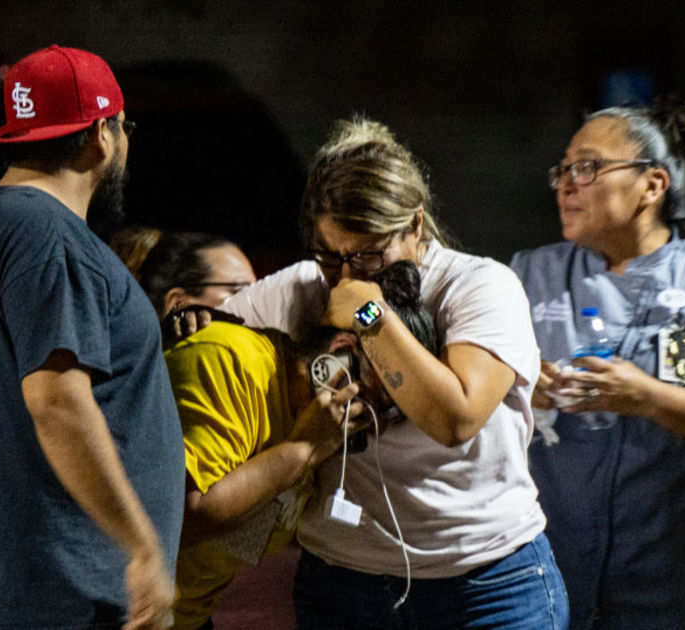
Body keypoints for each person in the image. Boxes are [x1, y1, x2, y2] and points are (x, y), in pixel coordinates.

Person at [218, 117, 569, 630]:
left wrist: (368, 316)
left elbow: (455, 419)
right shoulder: (303, 287)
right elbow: (207, 349)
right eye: (329, 255)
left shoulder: (480, 287)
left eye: (367, 256)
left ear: (415, 227)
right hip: (342, 582)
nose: (346, 276)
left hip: (486, 585)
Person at [509, 96, 685, 630]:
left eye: (588, 167)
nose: (567, 183)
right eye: (563, 170)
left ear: (652, 184)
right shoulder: (529, 275)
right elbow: (473, 396)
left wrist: (650, 398)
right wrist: (523, 389)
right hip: (558, 596)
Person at [0, 45, 184, 630]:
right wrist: (142, 547)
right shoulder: (48, 237)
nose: (126, 138)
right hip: (67, 594)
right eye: (123, 125)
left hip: (17, 586)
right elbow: (57, 403)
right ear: (102, 135)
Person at [166, 261, 438, 630]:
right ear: (340, 351)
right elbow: (188, 518)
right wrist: (303, 448)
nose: (380, 426)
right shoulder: (232, 362)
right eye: (382, 400)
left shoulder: (317, 435)